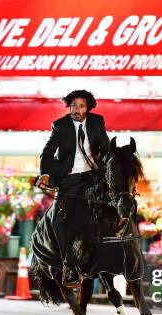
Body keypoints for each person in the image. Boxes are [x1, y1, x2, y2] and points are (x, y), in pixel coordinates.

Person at [35, 89, 110, 284]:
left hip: (94, 178)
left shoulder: (97, 122)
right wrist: (45, 174)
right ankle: (68, 265)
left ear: (88, 108)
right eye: (73, 106)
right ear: (69, 106)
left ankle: (114, 255)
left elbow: (106, 148)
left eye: (81, 106)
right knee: (59, 219)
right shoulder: (60, 126)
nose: (76, 109)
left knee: (114, 206)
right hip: (68, 179)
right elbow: (48, 153)